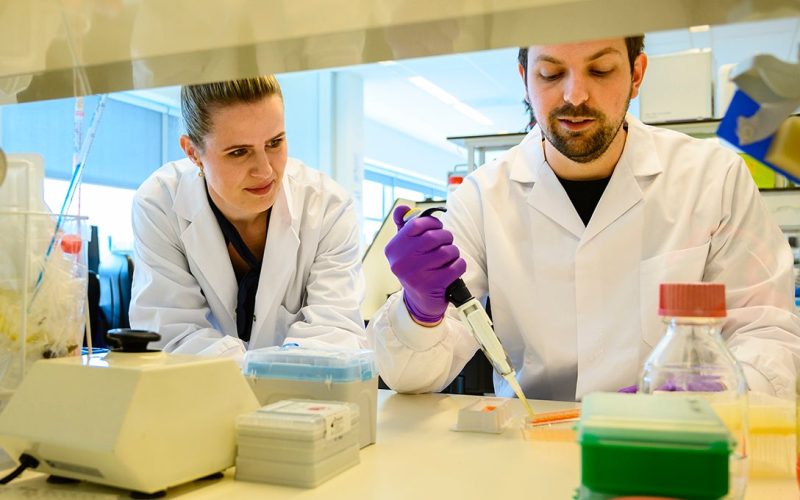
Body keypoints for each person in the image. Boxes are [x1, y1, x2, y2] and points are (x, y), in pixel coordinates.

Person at [368, 36, 800, 400]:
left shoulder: (712, 178)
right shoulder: (483, 195)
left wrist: (705, 395)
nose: (575, 95)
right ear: (524, 80)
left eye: (601, 70)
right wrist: (420, 310)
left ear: (636, 73)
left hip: (671, 439)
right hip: (533, 444)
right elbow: (413, 377)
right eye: (551, 74)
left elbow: (767, 332)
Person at [130, 75, 366, 359]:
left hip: (306, 400)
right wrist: (263, 370)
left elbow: (334, 334)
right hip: (201, 397)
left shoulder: (328, 207)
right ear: (193, 152)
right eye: (239, 152)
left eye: (274, 143)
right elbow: (172, 337)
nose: (265, 171)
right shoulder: (160, 204)